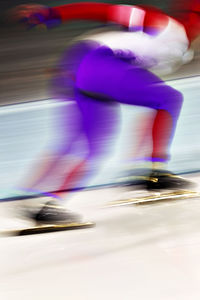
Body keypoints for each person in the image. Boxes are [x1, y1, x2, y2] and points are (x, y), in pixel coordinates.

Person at [11, 1, 200, 223]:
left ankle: (45, 205)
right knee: (168, 98)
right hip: (95, 62)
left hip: (81, 70)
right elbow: (104, 11)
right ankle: (153, 173)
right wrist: (52, 14)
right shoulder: (161, 24)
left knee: (90, 149)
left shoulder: (180, 50)